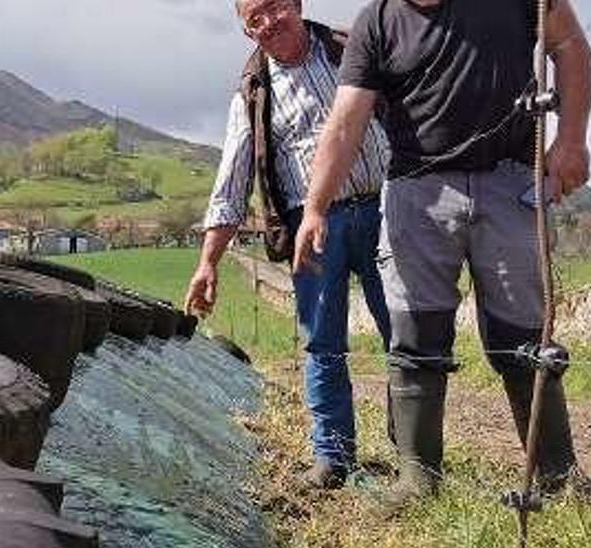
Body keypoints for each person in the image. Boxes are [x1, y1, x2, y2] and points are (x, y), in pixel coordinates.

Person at [296, 0, 591, 508]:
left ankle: (558, 481)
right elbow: (346, 123)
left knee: (522, 338)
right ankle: (418, 484)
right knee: (415, 338)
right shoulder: (377, 24)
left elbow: (571, 48)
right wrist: (315, 207)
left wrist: (571, 139)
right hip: (417, 193)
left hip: (510, 183)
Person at [185, 0, 392, 489]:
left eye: (275, 7)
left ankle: (414, 456)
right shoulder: (254, 93)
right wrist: (208, 263)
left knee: (403, 335)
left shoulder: (352, 50)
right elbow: (231, 181)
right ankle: (332, 458)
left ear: (297, 4)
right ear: (245, 30)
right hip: (313, 225)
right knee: (322, 342)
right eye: (253, 18)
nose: (267, 23)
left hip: (388, 207)